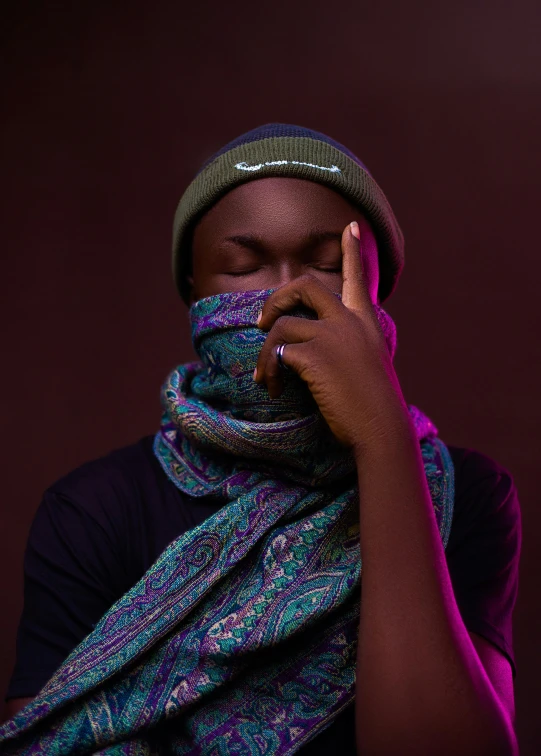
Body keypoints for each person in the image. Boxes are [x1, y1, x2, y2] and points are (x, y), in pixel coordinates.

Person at [1, 123, 521, 755]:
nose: (286, 294)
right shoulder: (93, 511)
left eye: (329, 266)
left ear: (376, 292)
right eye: (242, 267)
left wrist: (382, 442)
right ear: (192, 290)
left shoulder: (466, 494)